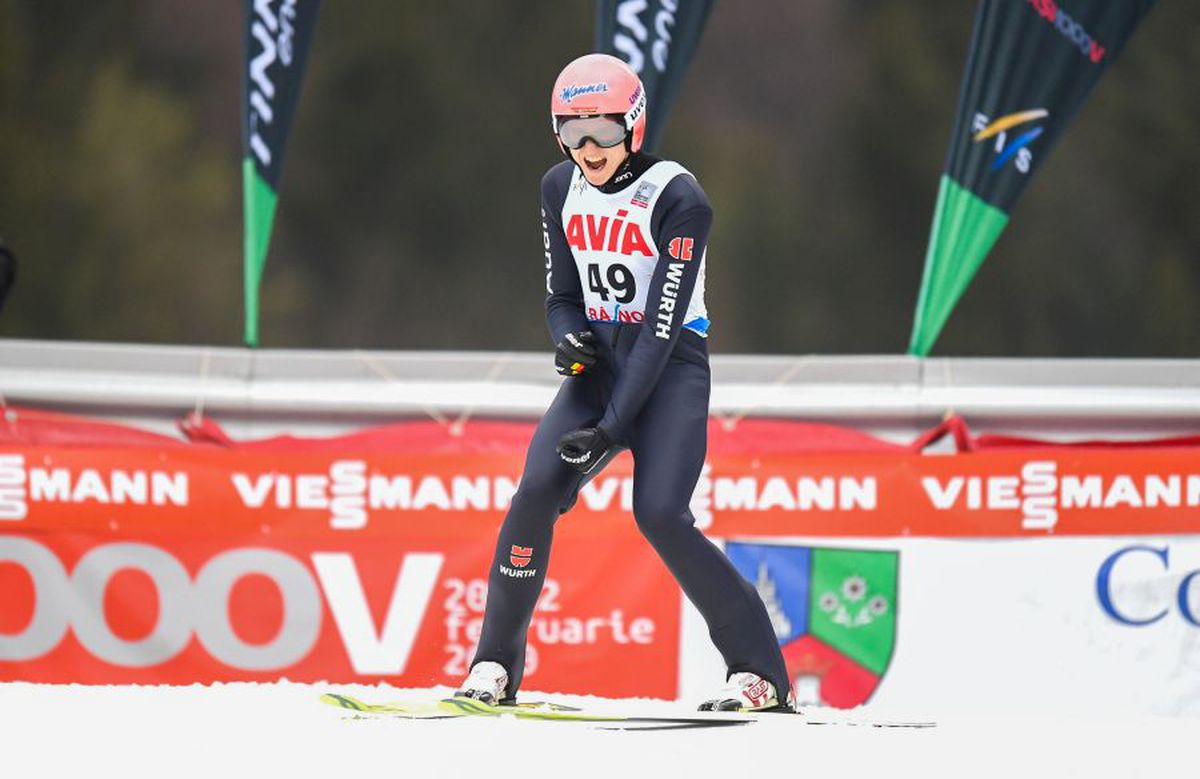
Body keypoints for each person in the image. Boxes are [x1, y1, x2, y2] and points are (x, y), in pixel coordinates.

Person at [458, 53, 793, 712]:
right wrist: (567, 338)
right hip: (601, 366)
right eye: (572, 131)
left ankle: (760, 673)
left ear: (633, 127)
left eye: (604, 131)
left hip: (669, 370)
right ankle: (494, 664)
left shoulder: (679, 198)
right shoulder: (559, 186)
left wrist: (611, 428)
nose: (589, 148)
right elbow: (562, 296)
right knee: (536, 490)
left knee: (661, 514)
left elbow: (662, 329)